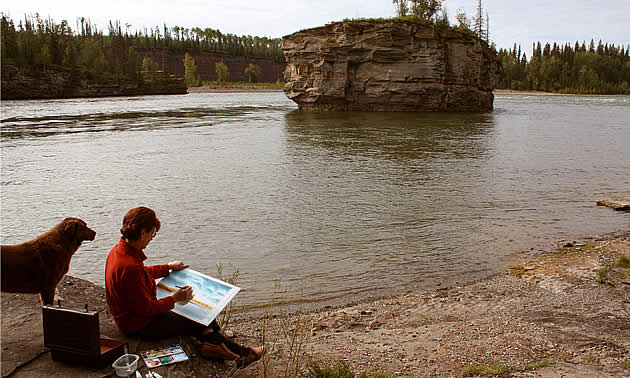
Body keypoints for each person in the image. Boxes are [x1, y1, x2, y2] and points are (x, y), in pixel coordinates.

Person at [105, 206, 263, 366]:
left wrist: (167, 267)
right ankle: (243, 354)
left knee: (201, 319)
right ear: (143, 233)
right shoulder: (130, 266)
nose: (152, 238)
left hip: (131, 317)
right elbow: (147, 309)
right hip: (139, 325)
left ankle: (214, 347)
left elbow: (143, 273)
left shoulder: (119, 252)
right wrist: (174, 299)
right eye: (152, 233)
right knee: (199, 317)